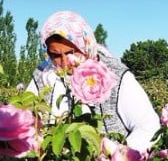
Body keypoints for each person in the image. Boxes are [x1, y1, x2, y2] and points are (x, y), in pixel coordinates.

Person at [26, 10, 160, 153]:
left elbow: (148, 126)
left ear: (85, 44)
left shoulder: (115, 75)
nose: (65, 62)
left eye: (71, 53)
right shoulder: (44, 75)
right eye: (56, 55)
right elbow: (26, 121)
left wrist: (118, 154)